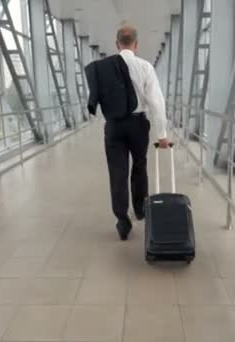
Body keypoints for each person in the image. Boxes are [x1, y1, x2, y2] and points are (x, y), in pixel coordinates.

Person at [85, 25, 169, 240]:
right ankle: (140, 208)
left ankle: (122, 221)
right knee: (140, 166)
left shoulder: (103, 68)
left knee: (118, 172)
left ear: (116, 44)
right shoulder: (145, 67)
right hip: (138, 125)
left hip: (113, 126)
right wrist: (162, 134)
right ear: (136, 44)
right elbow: (156, 102)